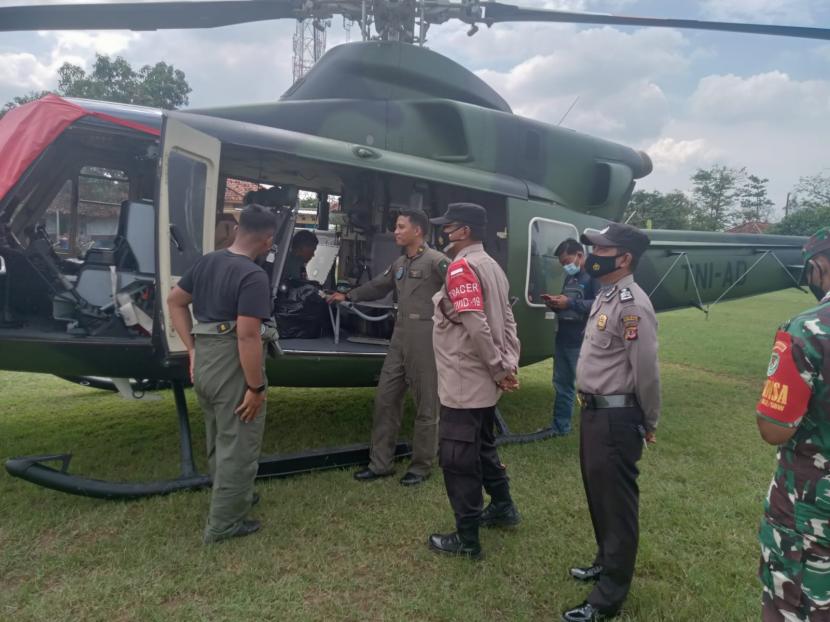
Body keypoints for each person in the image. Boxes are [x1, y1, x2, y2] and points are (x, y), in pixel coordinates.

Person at [562, 222, 659, 622]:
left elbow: (646, 371)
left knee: (617, 505)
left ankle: (608, 597)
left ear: (624, 259)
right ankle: (605, 559)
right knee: (598, 494)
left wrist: (649, 419)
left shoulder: (632, 304)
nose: (594, 254)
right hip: (594, 411)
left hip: (618, 417)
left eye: (603, 249)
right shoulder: (606, 296)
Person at [167, 204, 276, 544]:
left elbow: (175, 301)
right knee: (239, 443)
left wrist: (193, 349)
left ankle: (232, 494)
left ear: (238, 230)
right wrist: (255, 387)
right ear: (268, 240)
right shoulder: (253, 275)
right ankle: (225, 524)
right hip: (231, 362)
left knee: (218, 435)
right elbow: (247, 335)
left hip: (205, 360)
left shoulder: (208, 261)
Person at [427, 202, 521, 560]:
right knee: (483, 448)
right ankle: (502, 507)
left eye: (447, 227)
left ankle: (467, 538)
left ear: (463, 231)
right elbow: (508, 319)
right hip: (484, 380)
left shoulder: (460, 268)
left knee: (457, 459)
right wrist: (508, 363)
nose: (443, 233)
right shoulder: (492, 266)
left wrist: (500, 367)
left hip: (465, 382)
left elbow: (476, 324)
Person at [327, 208, 448, 486]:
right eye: (396, 226)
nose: (395, 231)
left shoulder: (437, 261)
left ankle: (421, 465)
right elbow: (378, 286)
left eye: (400, 227)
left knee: (427, 405)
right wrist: (348, 295)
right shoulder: (400, 263)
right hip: (399, 337)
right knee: (385, 399)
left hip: (425, 338)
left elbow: (459, 291)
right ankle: (381, 464)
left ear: (417, 231)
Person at [755, 227, 830, 621]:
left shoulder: (808, 329)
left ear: (817, 267)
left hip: (811, 508)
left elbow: (774, 428)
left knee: (795, 605)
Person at [542, 238, 597, 436]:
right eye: (563, 264)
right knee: (562, 384)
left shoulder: (593, 276)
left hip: (581, 342)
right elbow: (569, 305)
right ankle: (560, 427)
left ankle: (595, 430)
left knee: (588, 388)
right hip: (563, 338)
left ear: (579, 255)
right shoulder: (570, 278)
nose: (566, 267)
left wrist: (570, 304)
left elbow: (600, 305)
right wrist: (556, 304)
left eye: (567, 262)